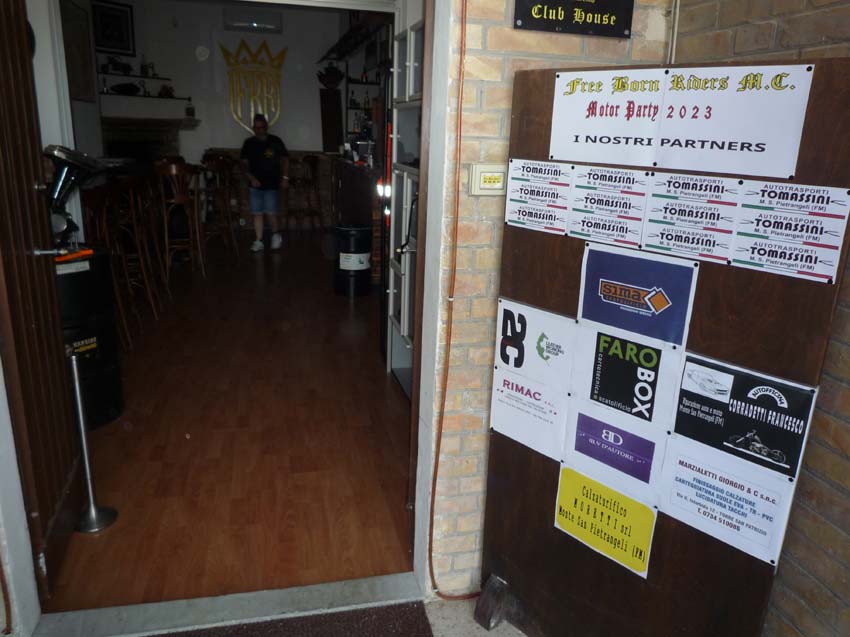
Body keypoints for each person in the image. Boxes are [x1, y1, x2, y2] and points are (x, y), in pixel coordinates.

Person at [240, 113, 289, 252]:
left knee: (271, 211)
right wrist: (251, 178)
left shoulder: (275, 141)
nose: (259, 130)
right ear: (253, 128)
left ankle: (276, 235)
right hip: (254, 184)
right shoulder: (248, 143)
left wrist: (285, 177)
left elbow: (285, 159)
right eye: (256, 128)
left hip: (272, 183)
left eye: (261, 127)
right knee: (257, 213)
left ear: (266, 127)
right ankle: (259, 240)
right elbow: (243, 164)